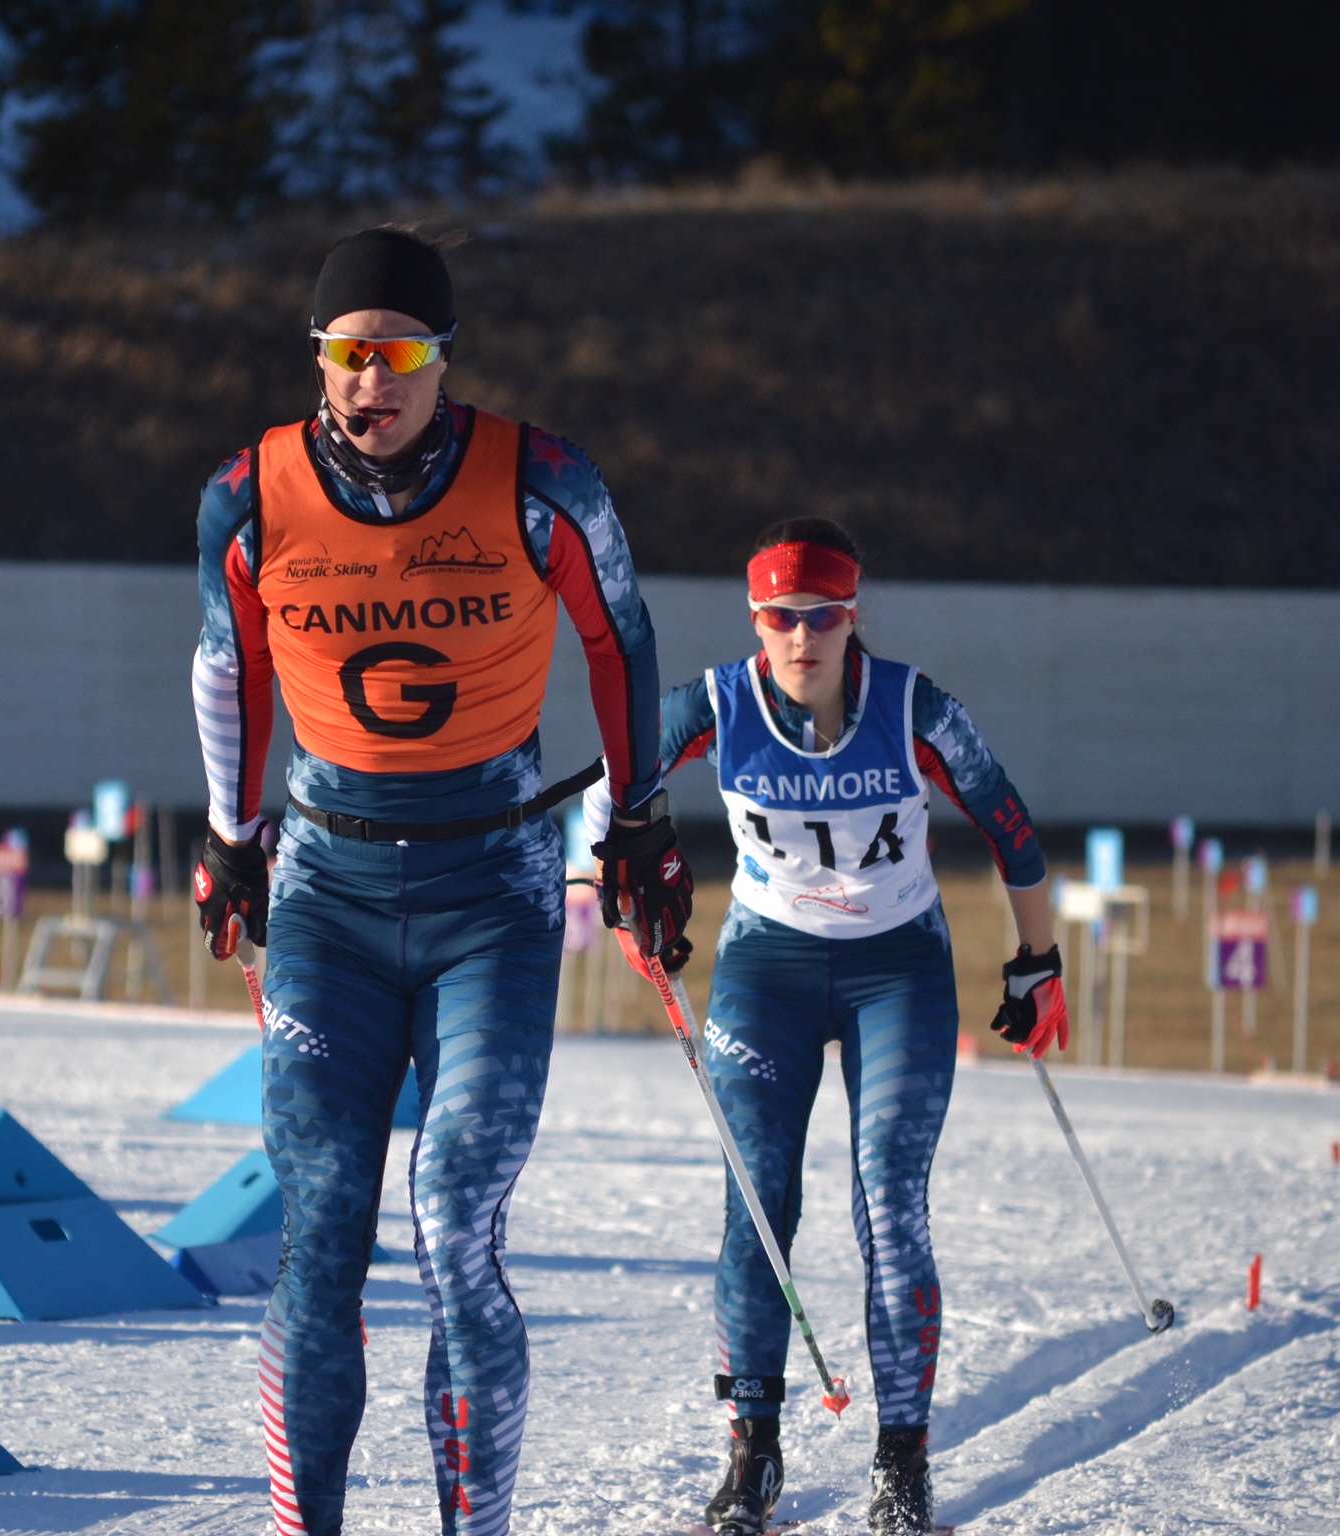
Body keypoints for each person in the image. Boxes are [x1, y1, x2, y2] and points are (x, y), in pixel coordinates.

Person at [188, 226, 695, 1536]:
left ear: (442, 361)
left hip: (495, 897)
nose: (375, 382)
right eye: (351, 354)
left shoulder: (544, 485)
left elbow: (618, 639)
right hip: (329, 899)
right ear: (319, 359)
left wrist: (638, 821)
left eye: (401, 354)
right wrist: (231, 835)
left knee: (454, 1220)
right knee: (322, 1235)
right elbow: (228, 667)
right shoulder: (252, 496)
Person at [583, 516, 1067, 1536]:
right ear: (755, 618)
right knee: (757, 1203)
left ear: (853, 617)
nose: (799, 638)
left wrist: (1038, 962)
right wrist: (625, 878)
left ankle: (902, 1455)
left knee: (889, 1203)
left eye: (822, 617)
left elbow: (1011, 826)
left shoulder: (911, 707)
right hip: (770, 968)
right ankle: (752, 1453)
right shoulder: (717, 702)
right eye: (778, 617)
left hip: (898, 971)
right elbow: (606, 793)